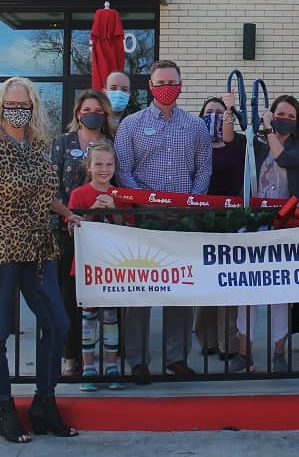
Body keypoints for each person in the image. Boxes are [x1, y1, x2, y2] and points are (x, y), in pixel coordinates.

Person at [0, 76, 81, 443]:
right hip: (0, 253)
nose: (18, 112)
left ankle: (44, 402)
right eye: (11, 106)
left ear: (33, 108)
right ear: (0, 108)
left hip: (38, 251)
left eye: (24, 105)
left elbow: (43, 194)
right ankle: (3, 405)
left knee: (58, 323)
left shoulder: (37, 148)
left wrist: (67, 212)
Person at [114, 60, 212, 383]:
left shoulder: (196, 126)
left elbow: (203, 171)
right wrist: (147, 202)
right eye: (161, 82)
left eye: (172, 81)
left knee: (179, 288)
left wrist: (189, 204)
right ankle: (137, 360)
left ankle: (176, 358)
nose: (167, 87)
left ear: (181, 85)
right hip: (144, 218)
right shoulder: (131, 125)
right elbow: (123, 171)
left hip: (184, 219)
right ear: (150, 86)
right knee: (141, 289)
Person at [230, 94, 299, 373]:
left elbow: (285, 159)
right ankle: (244, 352)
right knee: (246, 289)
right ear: (272, 113)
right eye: (281, 114)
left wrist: (268, 129)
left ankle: (279, 353)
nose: (285, 119)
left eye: (291, 115)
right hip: (253, 223)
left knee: (281, 292)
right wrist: (230, 111)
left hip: (286, 224)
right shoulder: (257, 143)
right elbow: (231, 138)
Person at [50, 90, 113, 379]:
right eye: (87, 109)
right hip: (68, 230)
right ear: (78, 113)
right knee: (68, 296)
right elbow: (50, 186)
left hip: (101, 234)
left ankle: (104, 357)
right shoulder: (62, 144)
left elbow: (116, 183)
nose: (92, 114)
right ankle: (69, 356)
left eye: (98, 110)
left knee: (102, 296)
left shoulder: (111, 144)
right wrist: (67, 215)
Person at [67, 140, 130, 392]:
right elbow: (71, 229)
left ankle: (112, 367)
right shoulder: (79, 194)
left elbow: (128, 232)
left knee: (111, 317)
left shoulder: (121, 196)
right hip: (87, 266)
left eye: (109, 164)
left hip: (113, 267)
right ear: (89, 167)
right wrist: (92, 211)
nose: (104, 169)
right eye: (99, 164)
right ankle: (89, 367)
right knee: (88, 318)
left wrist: (115, 211)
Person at [193, 93, 245, 361]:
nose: (212, 116)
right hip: (202, 219)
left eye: (219, 112)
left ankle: (228, 343)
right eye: (208, 111)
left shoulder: (236, 144)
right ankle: (206, 339)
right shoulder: (194, 145)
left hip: (229, 219)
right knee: (204, 282)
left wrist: (229, 109)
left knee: (228, 282)